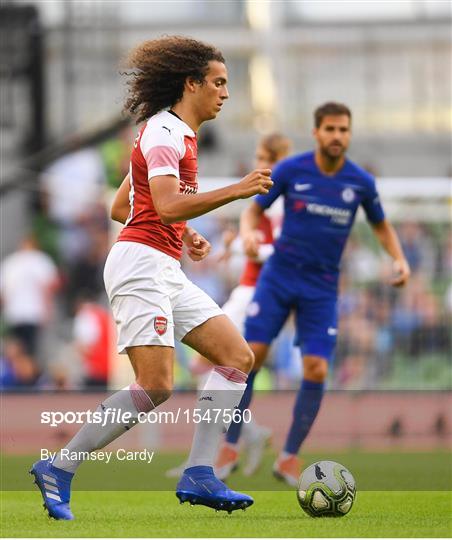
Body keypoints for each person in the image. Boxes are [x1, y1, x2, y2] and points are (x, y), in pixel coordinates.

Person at [30, 35, 273, 520]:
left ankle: (199, 472)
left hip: (162, 262)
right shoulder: (165, 132)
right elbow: (161, 205)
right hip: (140, 265)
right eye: (219, 83)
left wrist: (181, 235)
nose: (225, 93)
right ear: (191, 83)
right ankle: (60, 465)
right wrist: (236, 191)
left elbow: (125, 205)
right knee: (156, 384)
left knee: (236, 356)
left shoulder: (176, 132)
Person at [217, 102, 410, 487]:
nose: (338, 136)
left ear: (348, 134)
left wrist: (399, 259)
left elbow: (381, 225)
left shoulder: (360, 182)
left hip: (321, 287)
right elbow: (254, 211)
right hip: (279, 277)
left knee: (317, 368)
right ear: (317, 132)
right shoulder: (292, 170)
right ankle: (230, 445)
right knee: (250, 356)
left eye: (344, 130)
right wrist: (250, 232)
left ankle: (289, 456)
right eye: (331, 129)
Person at [163, 133, 292, 479]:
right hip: (247, 290)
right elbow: (258, 241)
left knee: (223, 367)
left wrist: (246, 248)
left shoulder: (285, 201)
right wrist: (236, 245)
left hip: (261, 294)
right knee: (220, 369)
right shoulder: (267, 199)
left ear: (283, 160)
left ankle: (219, 453)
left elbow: (284, 252)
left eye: (267, 156)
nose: (259, 162)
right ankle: (239, 439)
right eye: (258, 155)